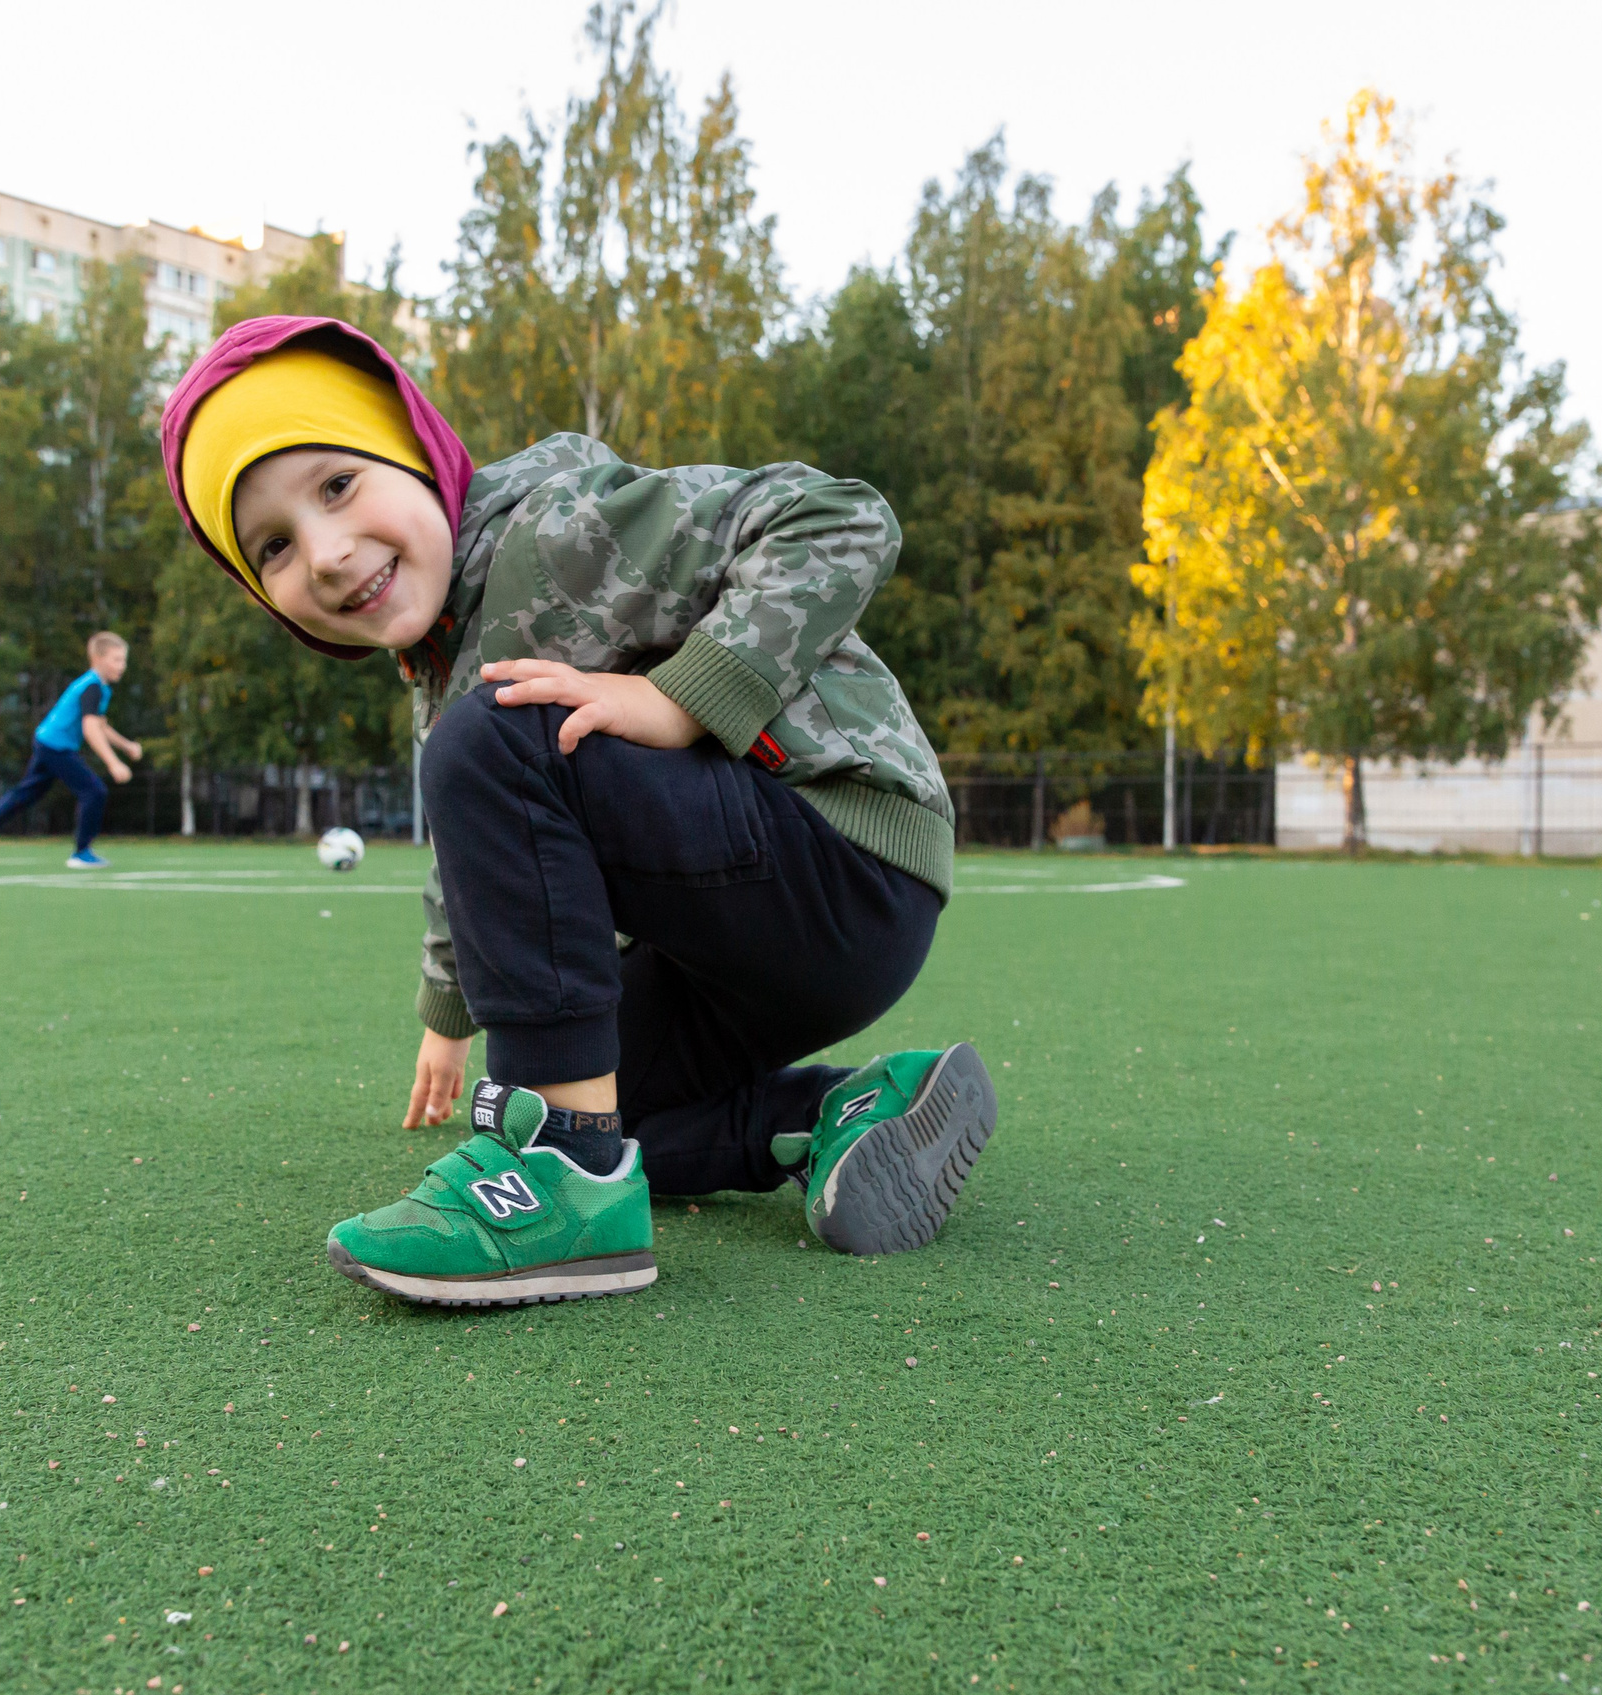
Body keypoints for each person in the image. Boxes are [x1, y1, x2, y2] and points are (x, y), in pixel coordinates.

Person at [159, 318, 996, 1308]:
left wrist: (683, 697)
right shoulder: (446, 653)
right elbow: (476, 854)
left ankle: (557, 1176)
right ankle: (836, 1114)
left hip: (841, 853)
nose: (329, 552)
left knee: (490, 741)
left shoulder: (561, 527)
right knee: (609, 1099)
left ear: (418, 449)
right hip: (738, 952)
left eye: (338, 484)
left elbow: (840, 518)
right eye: (275, 547)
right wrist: (448, 1012)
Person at [0, 632, 140, 871]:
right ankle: (81, 852)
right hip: (55, 746)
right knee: (94, 791)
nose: (122, 666)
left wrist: (126, 746)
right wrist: (113, 762)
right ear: (97, 658)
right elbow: (90, 727)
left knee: (26, 794)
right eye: (116, 660)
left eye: (123, 660)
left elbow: (101, 724)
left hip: (47, 742)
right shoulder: (92, 686)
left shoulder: (99, 688)